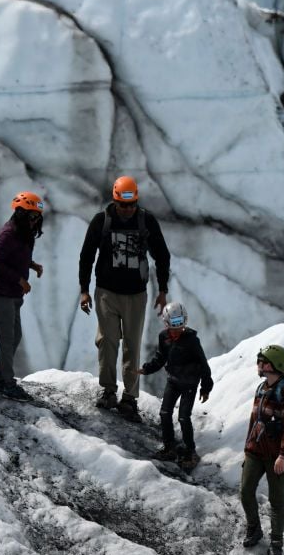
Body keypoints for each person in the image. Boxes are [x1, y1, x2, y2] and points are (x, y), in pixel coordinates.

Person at [78, 175, 171, 421]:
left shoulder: (146, 220)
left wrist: (163, 290)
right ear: (115, 201)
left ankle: (129, 398)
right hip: (106, 292)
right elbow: (86, 254)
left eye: (131, 205)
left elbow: (162, 255)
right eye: (123, 205)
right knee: (107, 342)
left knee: (132, 344)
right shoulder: (102, 221)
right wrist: (84, 290)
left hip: (136, 295)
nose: (127, 210)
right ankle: (108, 390)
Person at [240, 344, 284, 555]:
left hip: (278, 456)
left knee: (277, 501)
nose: (259, 365)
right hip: (256, 451)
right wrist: (248, 449)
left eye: (263, 362)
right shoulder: (262, 388)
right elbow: (254, 422)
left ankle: (276, 546)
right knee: (245, 491)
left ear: (275, 365)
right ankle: (254, 528)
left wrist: (283, 455)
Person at [138, 302, 212, 469]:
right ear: (166, 322)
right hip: (173, 381)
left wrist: (205, 387)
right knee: (164, 413)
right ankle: (169, 447)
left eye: (179, 322)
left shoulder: (192, 340)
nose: (177, 327)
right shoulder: (163, 337)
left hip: (190, 384)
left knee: (184, 417)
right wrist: (147, 369)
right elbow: (160, 358)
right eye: (174, 323)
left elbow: (203, 363)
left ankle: (190, 451)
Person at [0, 191, 44, 400]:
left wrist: (32, 264)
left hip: (12, 293)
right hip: (1, 292)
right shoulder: (10, 232)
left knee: (14, 336)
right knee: (7, 338)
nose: (35, 220)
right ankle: (7, 382)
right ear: (21, 213)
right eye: (31, 215)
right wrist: (20, 280)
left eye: (37, 216)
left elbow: (15, 256)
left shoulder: (24, 232)